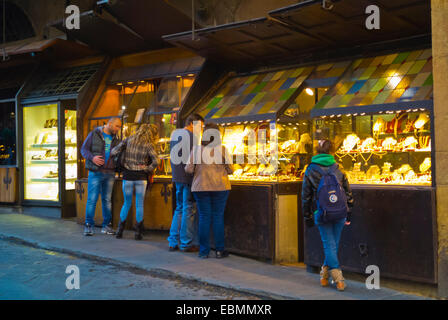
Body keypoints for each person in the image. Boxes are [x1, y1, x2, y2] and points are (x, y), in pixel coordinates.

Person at [301, 139, 354, 291]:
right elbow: (348, 192)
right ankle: (326, 275)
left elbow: (306, 196)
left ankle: (337, 277)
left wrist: (307, 216)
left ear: (316, 151)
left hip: (321, 212)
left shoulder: (310, 170)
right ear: (332, 151)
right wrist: (349, 212)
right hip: (340, 212)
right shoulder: (339, 167)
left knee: (329, 244)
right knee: (333, 244)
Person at [185, 123, 233, 259]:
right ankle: (219, 250)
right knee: (218, 217)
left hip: (201, 187)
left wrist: (198, 169)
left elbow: (188, 169)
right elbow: (231, 169)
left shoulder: (196, 150)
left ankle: (203, 252)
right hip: (220, 187)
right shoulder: (223, 150)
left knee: (204, 217)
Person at [111, 123, 159, 240]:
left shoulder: (128, 140)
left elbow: (113, 152)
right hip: (141, 177)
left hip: (127, 176)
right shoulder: (149, 144)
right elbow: (156, 161)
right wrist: (146, 169)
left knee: (126, 203)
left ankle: (119, 231)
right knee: (139, 204)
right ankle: (138, 233)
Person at [167, 113, 204, 252]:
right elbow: (193, 161)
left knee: (179, 208)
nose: (201, 129)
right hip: (188, 178)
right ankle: (185, 243)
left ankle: (172, 241)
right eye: (200, 126)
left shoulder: (175, 135)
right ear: (192, 124)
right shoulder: (192, 137)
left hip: (177, 177)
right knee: (188, 210)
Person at [81, 117, 122, 236]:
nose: (118, 129)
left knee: (107, 200)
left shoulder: (116, 139)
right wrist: (92, 157)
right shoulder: (95, 134)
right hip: (95, 172)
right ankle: (88, 226)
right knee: (92, 199)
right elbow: (83, 149)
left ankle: (106, 226)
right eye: (116, 126)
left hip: (110, 173)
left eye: (119, 127)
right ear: (109, 124)